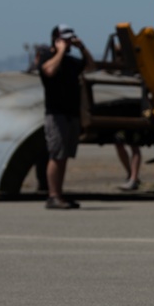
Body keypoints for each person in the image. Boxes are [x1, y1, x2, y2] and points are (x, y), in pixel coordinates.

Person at [38, 23, 94, 209]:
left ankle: (59, 194)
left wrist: (82, 48)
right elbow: (49, 71)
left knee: (64, 156)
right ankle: (53, 195)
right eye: (65, 39)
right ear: (56, 39)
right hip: (56, 114)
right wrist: (60, 51)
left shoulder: (71, 61)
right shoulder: (48, 57)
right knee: (56, 155)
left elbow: (92, 67)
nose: (69, 42)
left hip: (71, 113)